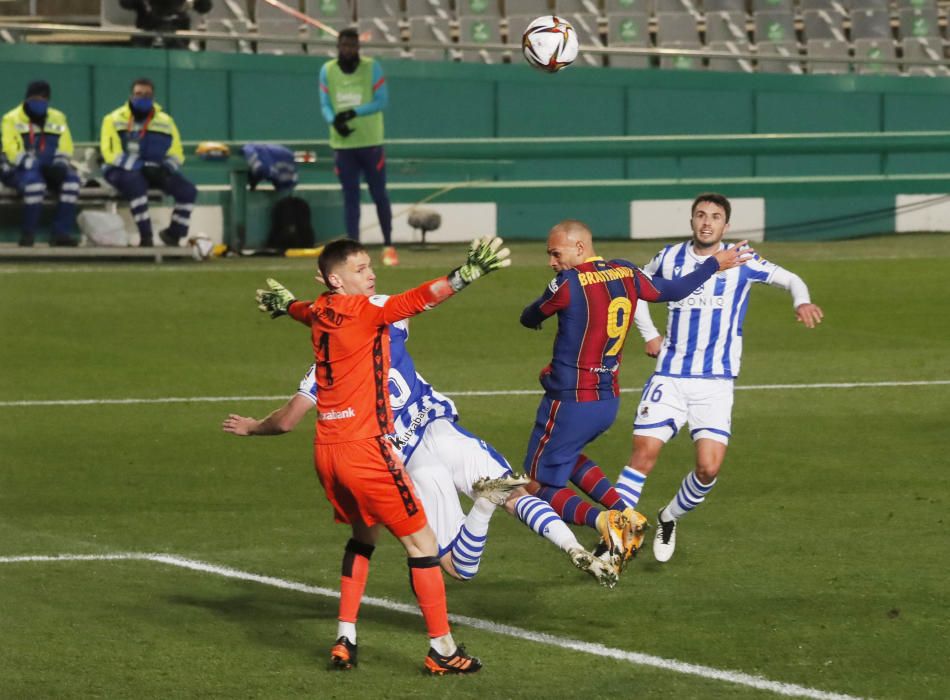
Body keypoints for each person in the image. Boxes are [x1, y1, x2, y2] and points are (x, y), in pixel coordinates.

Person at [254, 236, 510, 674]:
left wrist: (288, 305)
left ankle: (345, 639)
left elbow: (304, 312)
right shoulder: (367, 310)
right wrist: (465, 275)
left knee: (363, 536)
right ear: (336, 279)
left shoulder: (319, 311)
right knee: (423, 545)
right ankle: (442, 651)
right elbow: (420, 298)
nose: (371, 274)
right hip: (366, 451)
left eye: (370, 266)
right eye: (360, 269)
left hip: (327, 453)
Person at [223, 343, 617, 587]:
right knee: (516, 494)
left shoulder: (325, 367)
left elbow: (288, 420)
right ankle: (573, 548)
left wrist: (254, 427)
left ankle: (482, 506)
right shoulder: (388, 325)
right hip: (442, 429)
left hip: (412, 461)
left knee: (457, 567)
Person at [519, 219, 753, 574]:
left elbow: (529, 315)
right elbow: (673, 291)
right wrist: (713, 264)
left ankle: (609, 523)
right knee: (568, 455)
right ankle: (628, 515)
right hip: (607, 401)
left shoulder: (567, 283)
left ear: (579, 248)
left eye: (556, 253)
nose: (552, 261)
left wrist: (537, 315)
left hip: (569, 400)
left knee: (537, 483)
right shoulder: (626, 272)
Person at [614, 192, 824, 563]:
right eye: (700, 215)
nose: (706, 222)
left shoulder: (742, 259)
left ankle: (669, 517)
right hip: (671, 376)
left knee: (708, 468)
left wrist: (801, 301)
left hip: (716, 383)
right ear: (692, 221)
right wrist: (648, 333)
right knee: (643, 455)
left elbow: (791, 279)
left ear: (726, 226)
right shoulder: (669, 257)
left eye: (714, 216)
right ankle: (614, 542)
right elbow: (636, 291)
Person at [319, 28, 398, 267]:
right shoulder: (327, 70)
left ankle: (388, 245)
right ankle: (353, 250)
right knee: (350, 197)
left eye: (353, 46)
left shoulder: (371, 67)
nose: (348, 50)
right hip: (343, 145)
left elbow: (381, 101)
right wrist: (334, 120)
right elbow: (325, 104)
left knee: (379, 194)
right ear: (338, 46)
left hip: (370, 142)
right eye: (344, 45)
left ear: (358, 48)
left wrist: (354, 112)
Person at [100, 77, 197, 247]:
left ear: (153, 98)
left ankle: (173, 235)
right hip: (120, 169)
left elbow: (176, 152)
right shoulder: (113, 119)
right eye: (138, 94)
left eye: (147, 95)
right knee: (135, 183)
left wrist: (165, 169)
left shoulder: (166, 121)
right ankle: (146, 237)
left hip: (156, 169)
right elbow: (110, 153)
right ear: (131, 96)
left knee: (188, 191)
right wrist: (141, 167)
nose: (142, 98)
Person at [1, 80, 80, 247]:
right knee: (35, 184)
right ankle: (28, 234)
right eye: (36, 98)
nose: (40, 102)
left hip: (50, 167)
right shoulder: (11, 119)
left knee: (72, 182)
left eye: (44, 99)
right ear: (27, 99)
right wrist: (37, 166)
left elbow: (65, 145)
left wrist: (60, 164)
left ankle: (60, 234)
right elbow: (12, 149)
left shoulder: (58, 118)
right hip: (21, 169)